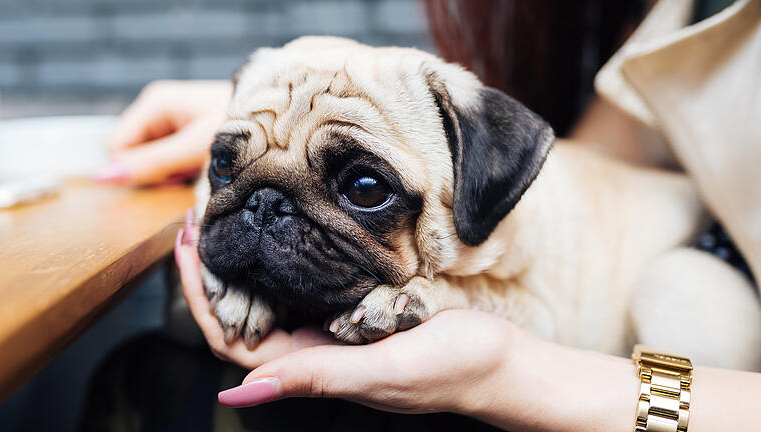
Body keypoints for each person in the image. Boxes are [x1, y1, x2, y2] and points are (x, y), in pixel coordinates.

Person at [101, 1, 761, 431]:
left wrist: (514, 367)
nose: (267, 209)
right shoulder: (686, 10)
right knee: (140, 367)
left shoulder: (514, 227)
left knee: (684, 296)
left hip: (684, 364)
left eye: (364, 188)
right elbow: (605, 148)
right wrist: (280, 119)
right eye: (232, 162)